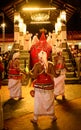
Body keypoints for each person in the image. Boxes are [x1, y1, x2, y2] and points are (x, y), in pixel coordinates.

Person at [30, 50, 58, 124]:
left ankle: (35, 118)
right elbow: (56, 75)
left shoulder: (37, 65)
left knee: (38, 102)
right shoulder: (51, 64)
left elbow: (34, 76)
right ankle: (53, 116)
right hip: (49, 86)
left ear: (39, 57)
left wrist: (29, 73)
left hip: (39, 87)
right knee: (49, 101)